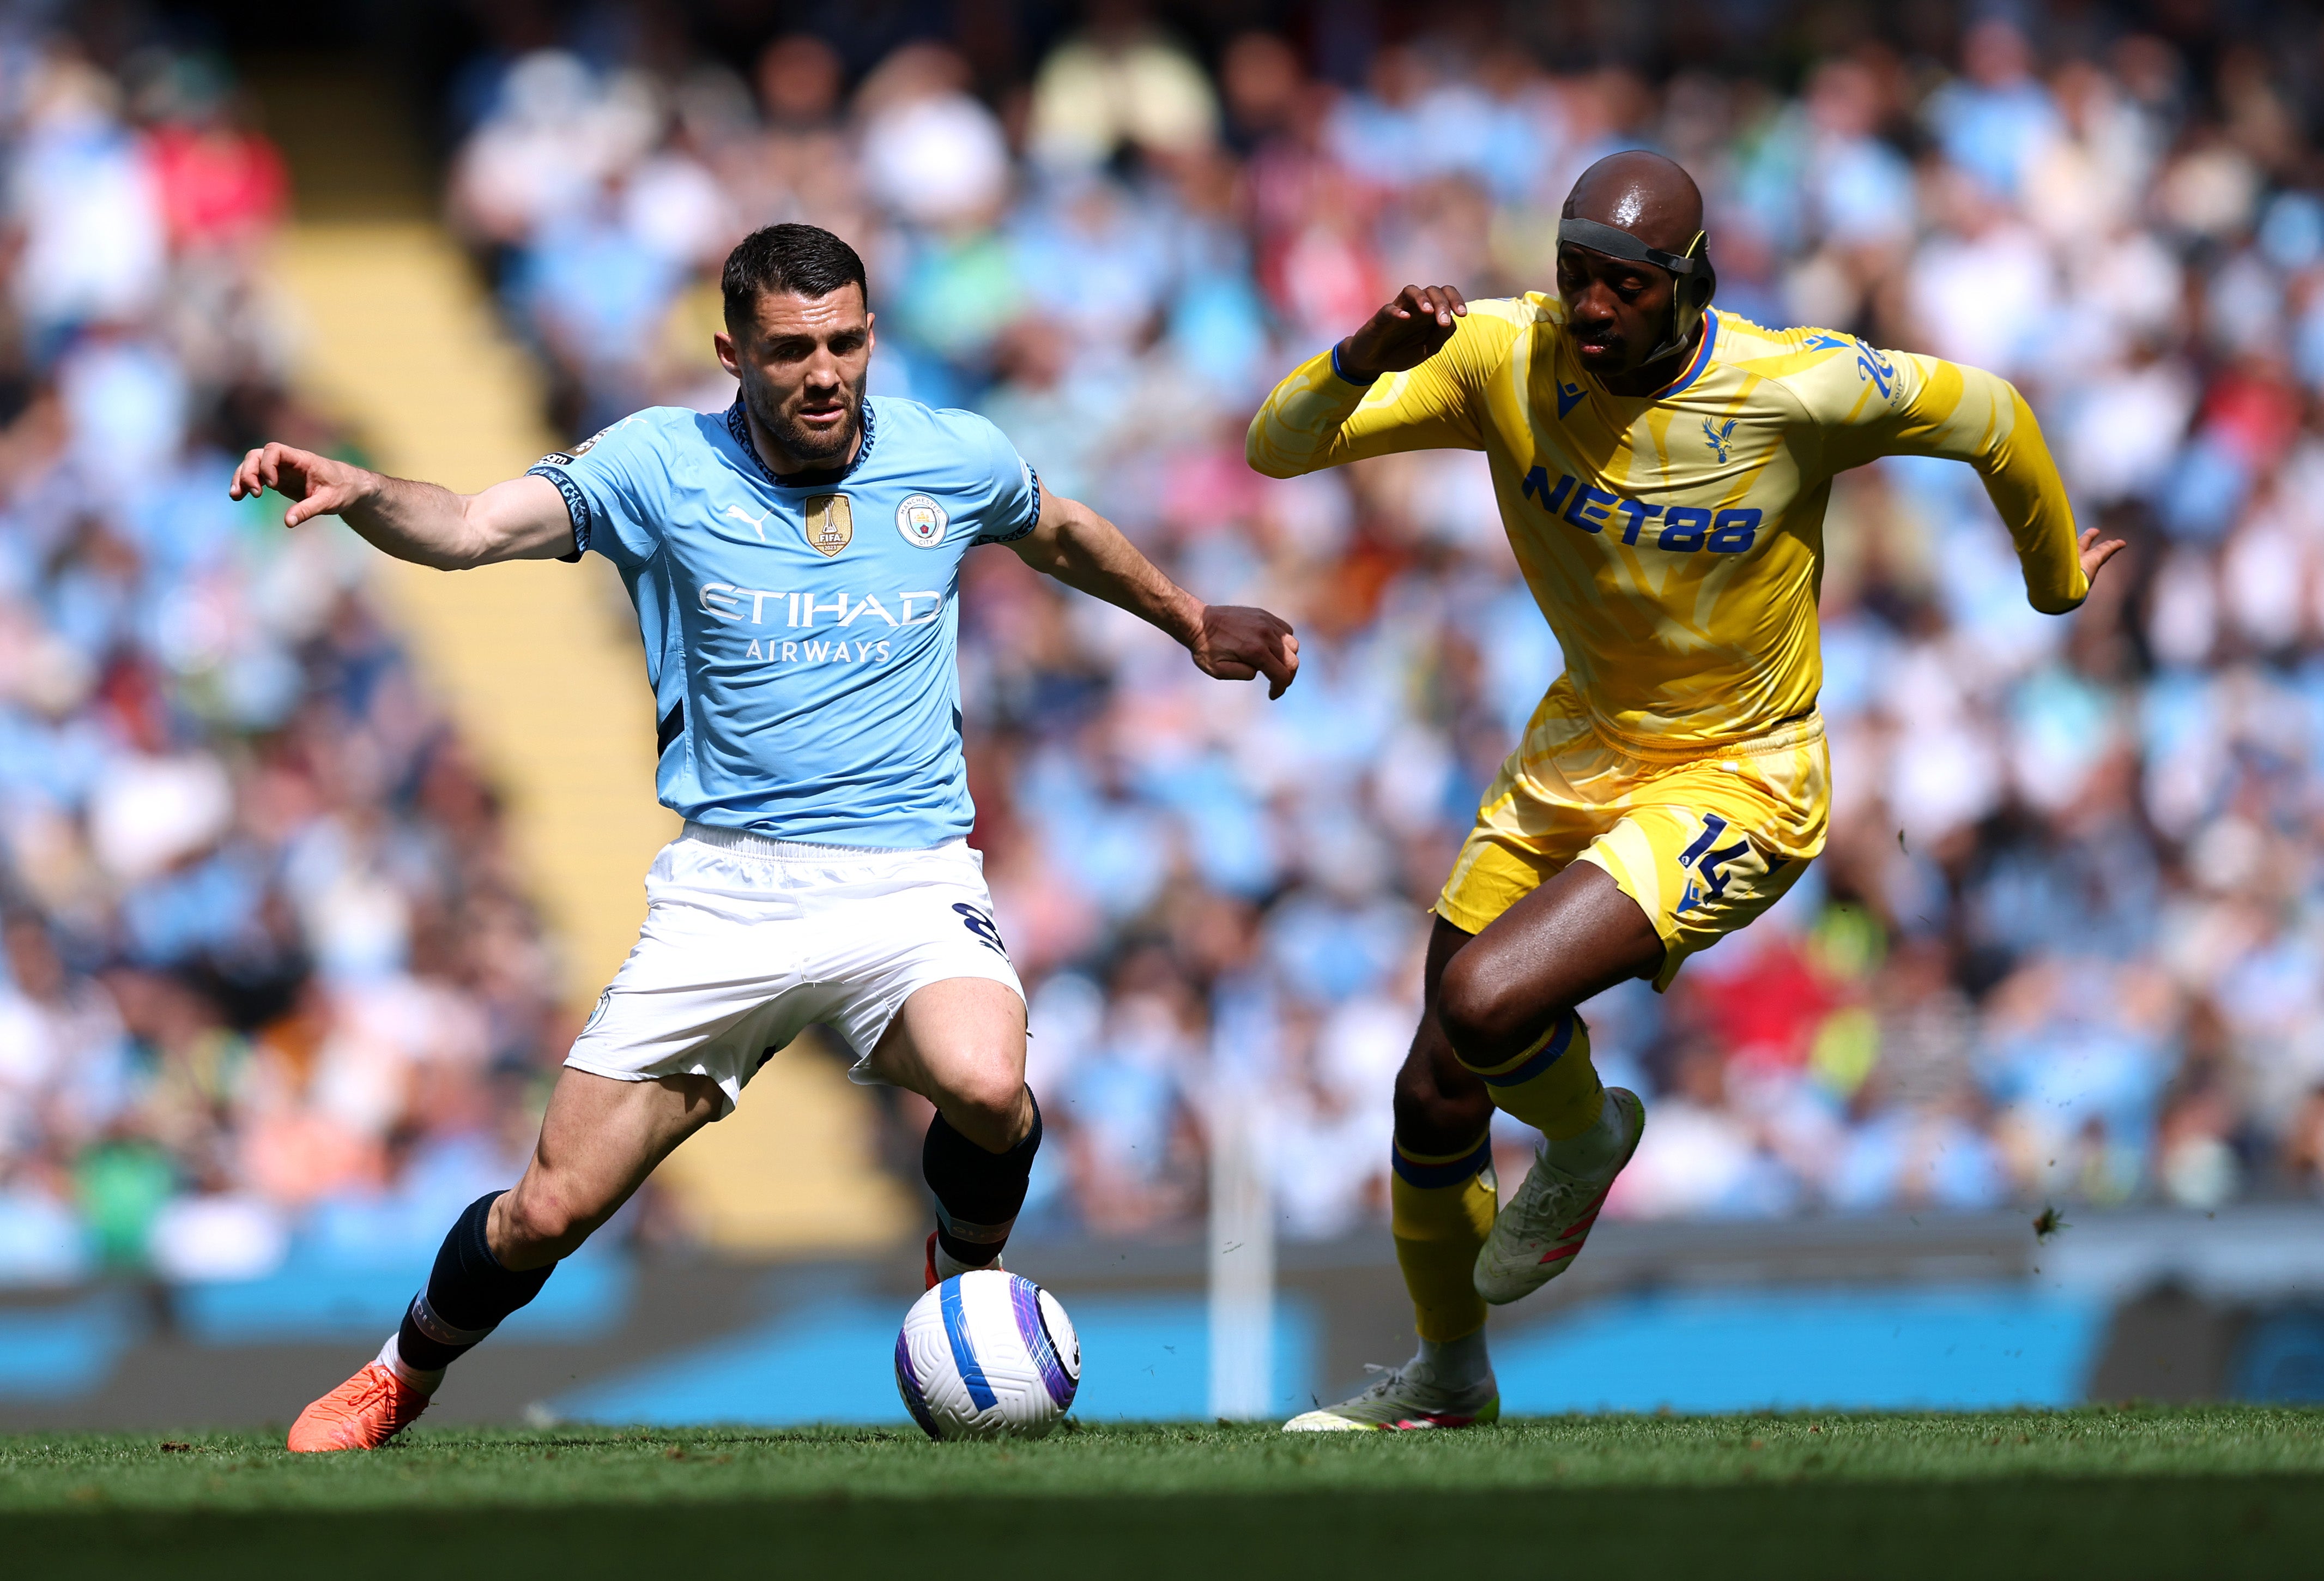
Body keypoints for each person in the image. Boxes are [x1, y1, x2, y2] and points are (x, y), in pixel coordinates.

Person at [240, 222, 1300, 1452]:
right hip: (730, 892)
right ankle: (397, 1374)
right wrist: (370, 496)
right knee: (548, 1209)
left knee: (986, 1082)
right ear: (731, 351)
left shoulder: (949, 454)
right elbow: (473, 525)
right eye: (791, 348)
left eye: (846, 341)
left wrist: (1186, 619)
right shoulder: (655, 462)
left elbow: (1053, 525)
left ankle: (957, 1286)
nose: (825, 371)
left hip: (908, 873)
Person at [1248, 150, 2120, 1432]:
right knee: (1431, 1087)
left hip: (1740, 775)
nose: (1589, 309)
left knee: (1483, 1000)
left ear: (1686, 284)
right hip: (1576, 752)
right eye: (1572, 278)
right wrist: (1362, 353)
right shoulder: (1502, 354)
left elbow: (1987, 412)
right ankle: (1447, 1379)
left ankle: (1590, 1135)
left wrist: (2052, 582)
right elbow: (1278, 449)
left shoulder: (1792, 386)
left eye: (1622, 286)